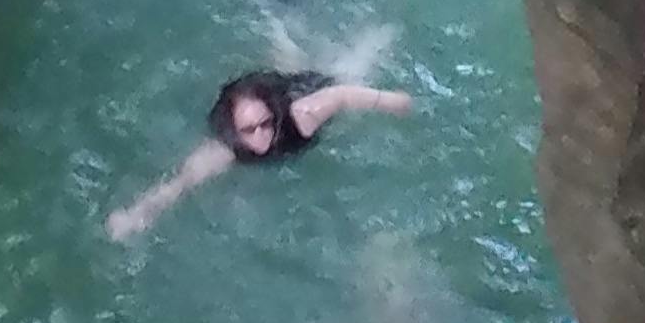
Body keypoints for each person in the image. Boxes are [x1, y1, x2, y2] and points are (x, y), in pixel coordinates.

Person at [104, 69, 415, 241]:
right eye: (249, 129)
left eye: (266, 124)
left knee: (348, 67)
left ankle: (378, 33)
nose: (261, 135)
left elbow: (343, 94)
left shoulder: (303, 114)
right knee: (287, 66)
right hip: (280, 94)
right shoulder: (225, 150)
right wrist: (137, 214)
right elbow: (180, 184)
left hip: (308, 88)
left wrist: (393, 102)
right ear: (234, 131)